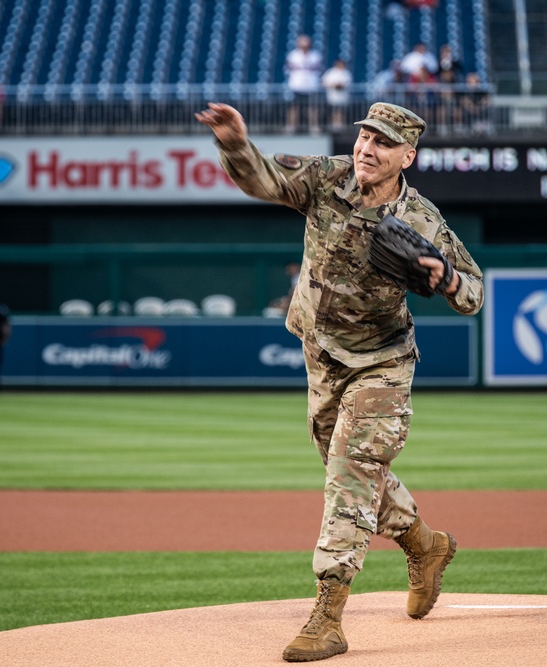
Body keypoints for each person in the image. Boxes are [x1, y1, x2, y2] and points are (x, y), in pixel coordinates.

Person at [195, 100, 483, 662]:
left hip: (383, 359)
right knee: (347, 466)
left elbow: (473, 292)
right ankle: (424, 544)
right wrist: (234, 141)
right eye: (364, 137)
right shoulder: (328, 178)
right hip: (322, 352)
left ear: (408, 155)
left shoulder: (421, 219)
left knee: (351, 473)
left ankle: (328, 616)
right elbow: (264, 179)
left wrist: (446, 277)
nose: (367, 149)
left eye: (383, 142)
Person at [284, 34, 323, 134]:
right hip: (296, 85)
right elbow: (288, 68)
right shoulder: (293, 55)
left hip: (311, 85)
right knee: (293, 107)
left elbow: (318, 69)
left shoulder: (315, 55)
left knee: (312, 107)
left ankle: (314, 126)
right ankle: (291, 126)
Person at [321, 59, 353, 131]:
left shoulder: (346, 73)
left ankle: (340, 126)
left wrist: (338, 85)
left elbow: (346, 83)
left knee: (341, 112)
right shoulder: (330, 72)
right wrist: (334, 85)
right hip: (332, 97)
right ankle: (333, 125)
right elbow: (324, 82)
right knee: (333, 112)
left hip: (342, 97)